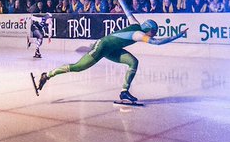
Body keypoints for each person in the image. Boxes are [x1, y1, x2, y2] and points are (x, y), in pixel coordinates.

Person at [32, 14, 186, 105]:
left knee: (133, 62)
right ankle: (47, 75)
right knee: (78, 67)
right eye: (154, 32)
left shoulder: (135, 24)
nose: (154, 35)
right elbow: (157, 43)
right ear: (149, 30)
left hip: (112, 49)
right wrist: (178, 35)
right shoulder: (138, 34)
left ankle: (124, 92)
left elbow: (127, 10)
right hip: (102, 46)